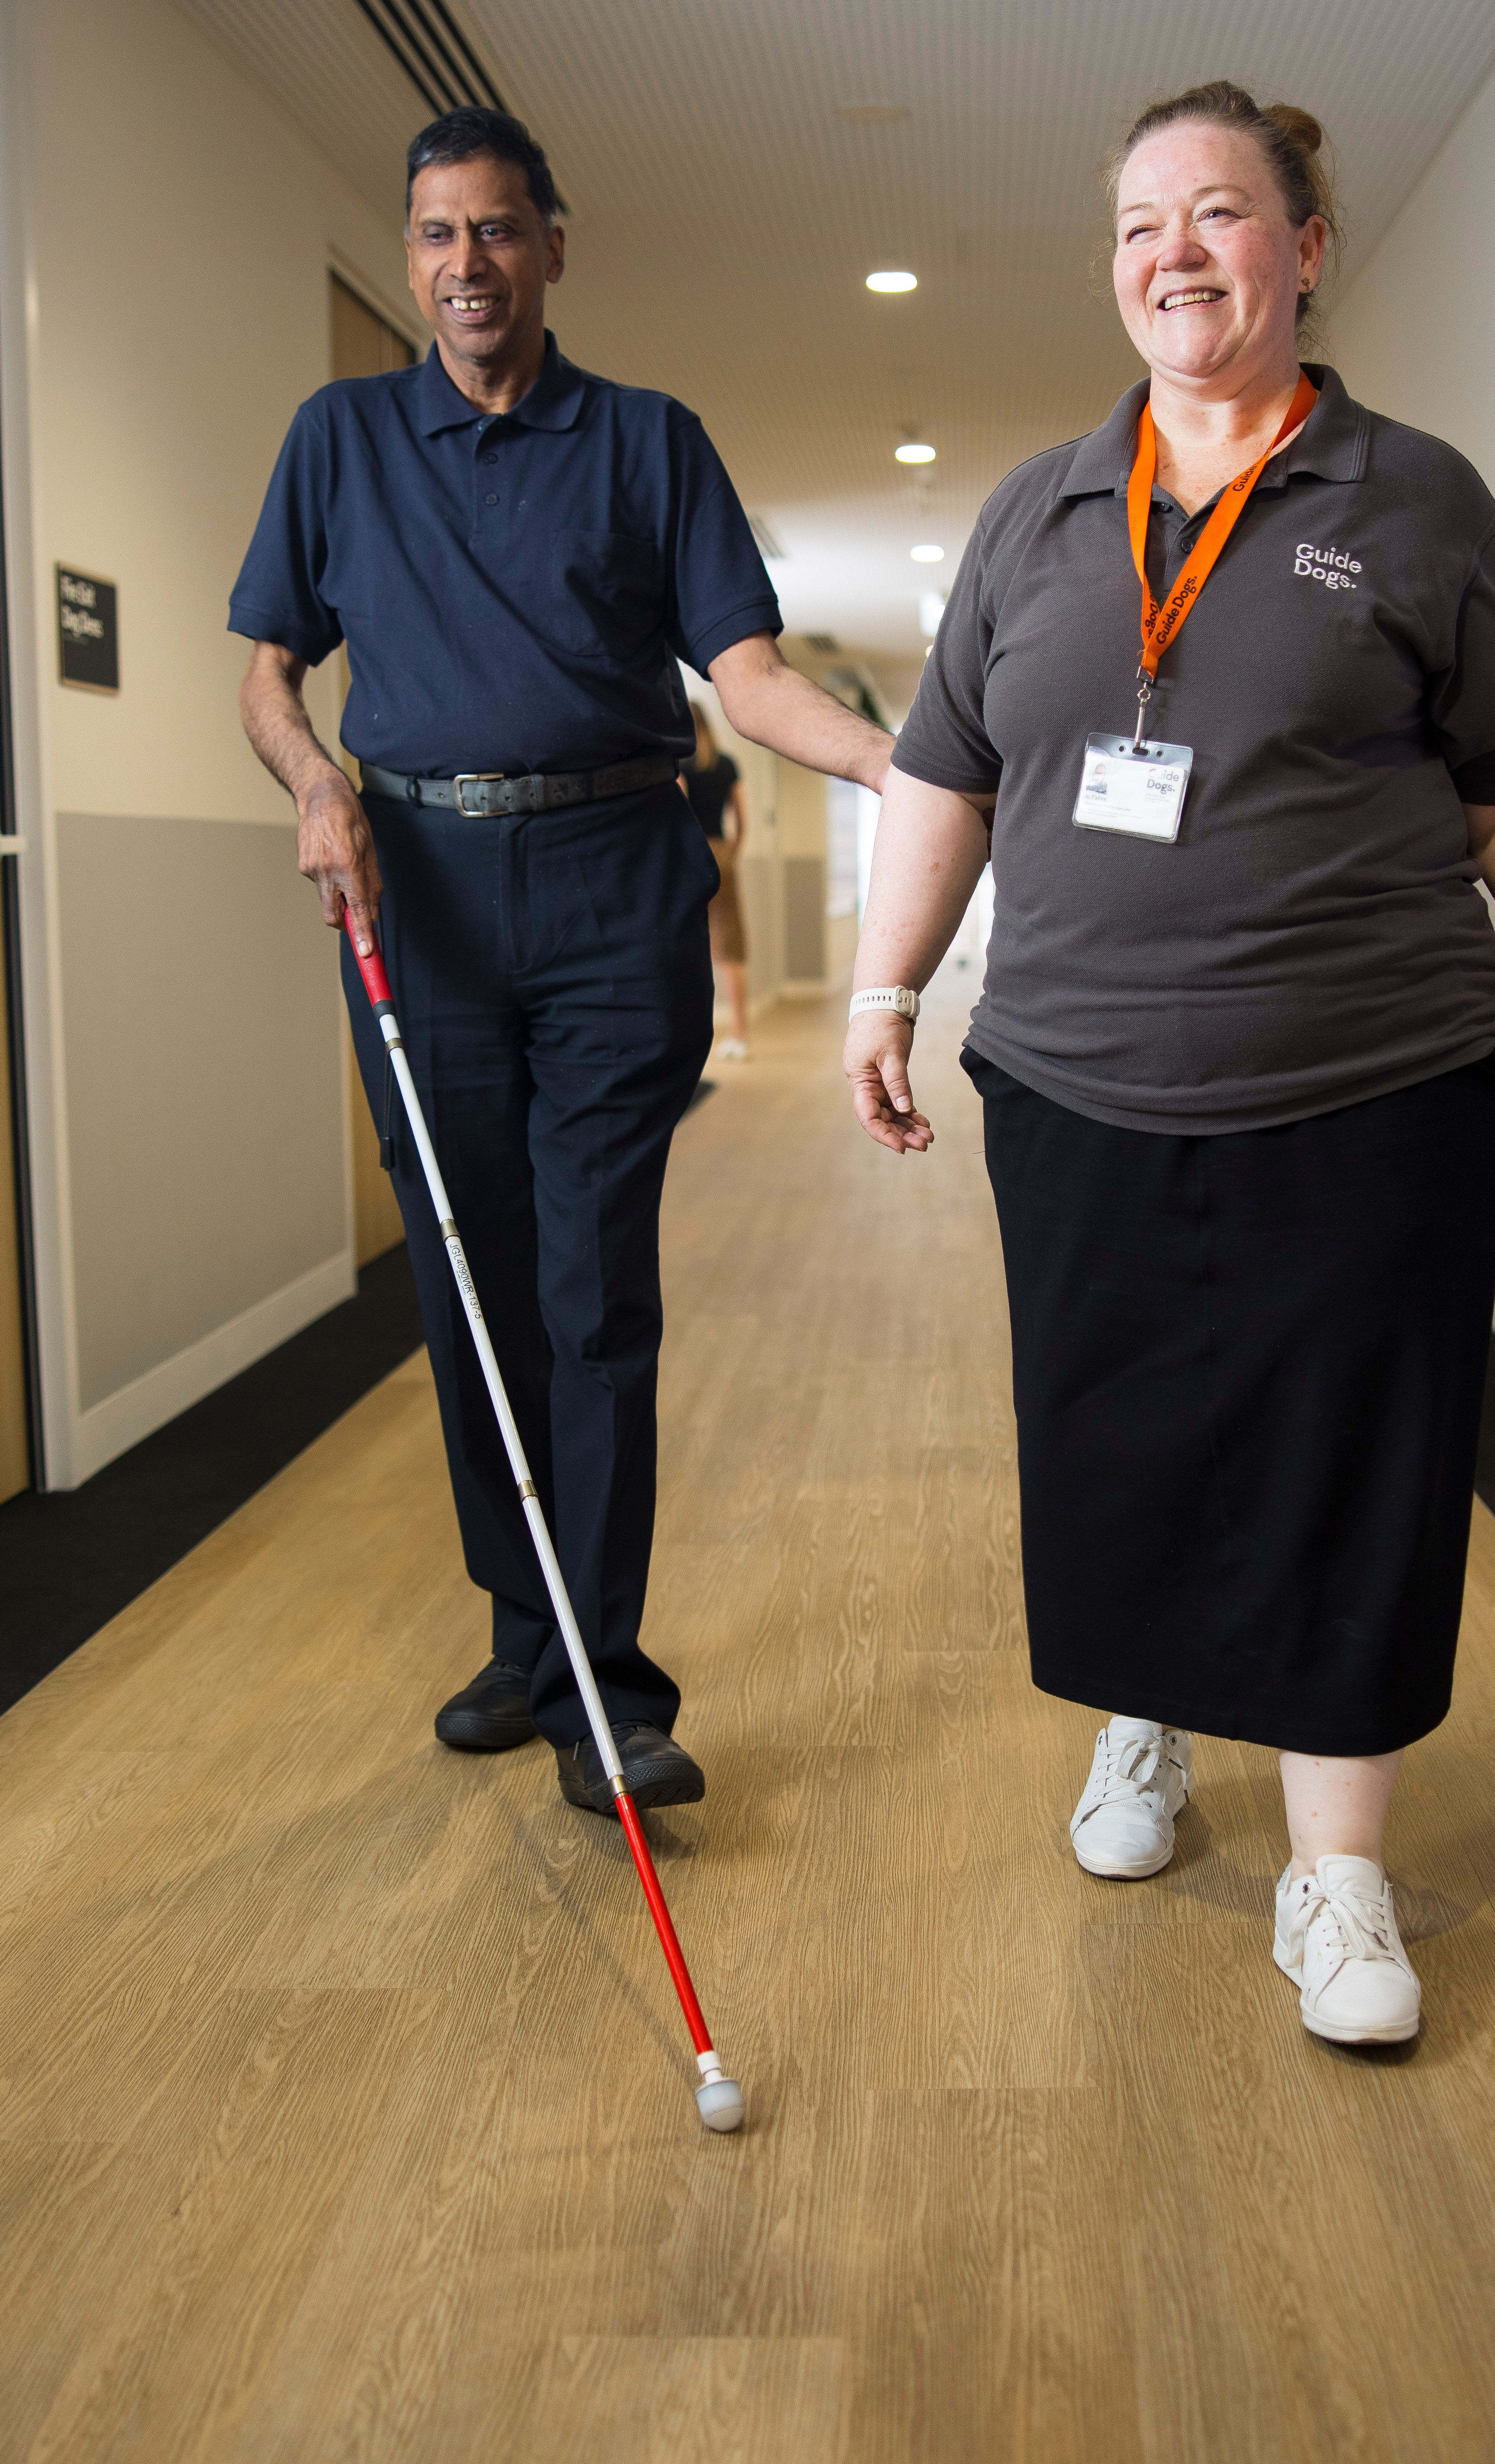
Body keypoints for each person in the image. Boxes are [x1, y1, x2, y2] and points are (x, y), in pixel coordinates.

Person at [844, 82, 1495, 2046]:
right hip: (1074, 1071)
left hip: (1373, 1079)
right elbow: (944, 776)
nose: (1174, 255)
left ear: (1305, 248)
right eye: (1139, 224)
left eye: (1219, 215)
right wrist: (882, 994)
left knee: (1349, 1458)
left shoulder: (1411, 498)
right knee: (1117, 1425)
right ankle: (1146, 1724)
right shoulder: (1038, 510)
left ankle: (1337, 1875)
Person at [234, 106, 891, 1817]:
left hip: (615, 884)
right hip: (418, 891)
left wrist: (907, 766)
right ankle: (526, 1634)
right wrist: (316, 784)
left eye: (499, 231)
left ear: (551, 245)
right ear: (411, 256)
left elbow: (743, 677)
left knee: (595, 1287)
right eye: (439, 234)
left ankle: (607, 1687)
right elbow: (264, 672)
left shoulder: (649, 442)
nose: (469, 264)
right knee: (470, 1286)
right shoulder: (340, 438)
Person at [681, 707, 752, 1057]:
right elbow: (742, 817)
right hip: (721, 853)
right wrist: (730, 853)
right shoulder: (727, 764)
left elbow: (677, 816)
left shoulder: (678, 766)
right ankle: (740, 1037)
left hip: (688, 857)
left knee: (685, 949)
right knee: (730, 950)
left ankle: (690, 1040)